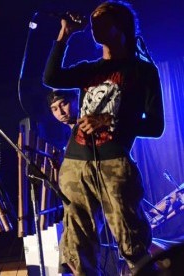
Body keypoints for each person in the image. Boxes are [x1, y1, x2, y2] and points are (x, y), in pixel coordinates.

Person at [42, 1, 165, 275]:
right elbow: (51, 77)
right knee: (77, 244)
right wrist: (65, 34)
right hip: (75, 162)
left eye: (101, 21)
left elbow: (156, 126)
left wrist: (111, 121)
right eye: (93, 20)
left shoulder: (143, 71)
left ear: (120, 28)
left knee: (130, 239)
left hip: (114, 164)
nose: (93, 25)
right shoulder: (91, 68)